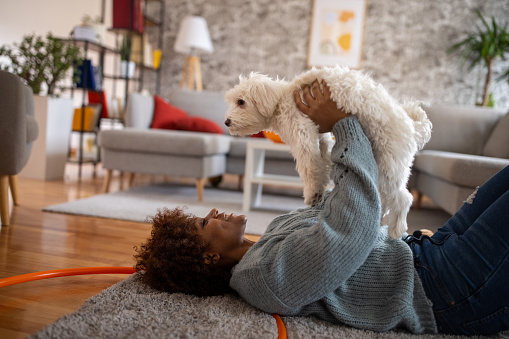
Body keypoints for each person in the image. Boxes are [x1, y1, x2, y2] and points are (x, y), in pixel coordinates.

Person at [134, 80, 509, 336]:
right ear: (208, 259)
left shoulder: (269, 242)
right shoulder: (264, 278)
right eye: (204, 223)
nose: (213, 213)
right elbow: (354, 227)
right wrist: (344, 124)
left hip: (427, 253)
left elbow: (339, 208)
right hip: (447, 288)